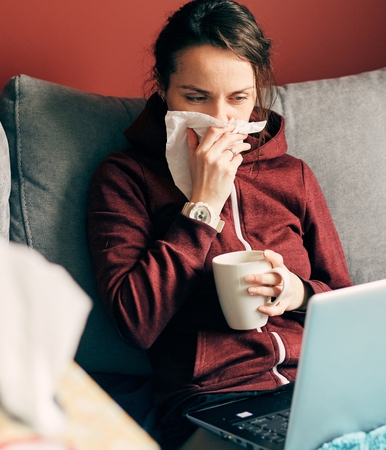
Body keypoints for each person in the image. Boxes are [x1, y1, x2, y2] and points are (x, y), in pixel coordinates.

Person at [86, 0, 352, 447]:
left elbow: (347, 300)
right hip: (210, 404)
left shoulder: (293, 175)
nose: (221, 120)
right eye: (195, 97)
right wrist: (202, 205)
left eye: (239, 99)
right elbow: (135, 323)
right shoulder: (125, 177)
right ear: (164, 91)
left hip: (322, 386)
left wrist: (298, 293)